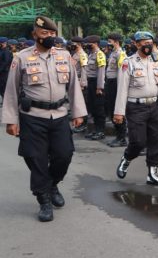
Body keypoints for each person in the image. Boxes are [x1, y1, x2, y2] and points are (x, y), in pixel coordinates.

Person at [2, 16, 87, 222]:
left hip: (59, 115)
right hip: (32, 117)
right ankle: (44, 200)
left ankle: (51, 184)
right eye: (44, 33)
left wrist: (78, 112)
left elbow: (74, 85)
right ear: (35, 35)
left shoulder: (64, 56)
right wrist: (11, 120)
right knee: (36, 159)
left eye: (52, 33)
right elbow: (12, 90)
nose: (49, 37)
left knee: (64, 155)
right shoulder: (20, 58)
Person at [114, 31, 158, 187]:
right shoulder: (128, 62)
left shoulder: (155, 61)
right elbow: (122, 89)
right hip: (136, 107)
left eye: (150, 43)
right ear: (137, 44)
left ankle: (153, 173)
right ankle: (126, 159)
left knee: (156, 139)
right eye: (144, 43)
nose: (148, 45)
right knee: (138, 142)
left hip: (155, 105)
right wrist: (119, 112)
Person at [105, 33, 128, 147]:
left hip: (116, 84)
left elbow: (121, 72)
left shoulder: (121, 54)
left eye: (110, 41)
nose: (108, 44)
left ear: (116, 42)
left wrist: (120, 88)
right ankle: (118, 136)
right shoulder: (113, 53)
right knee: (111, 108)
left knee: (117, 109)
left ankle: (122, 137)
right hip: (110, 83)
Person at [83, 35, 107, 140]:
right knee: (92, 107)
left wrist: (99, 87)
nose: (88, 45)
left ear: (96, 43)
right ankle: (95, 130)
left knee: (99, 108)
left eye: (89, 43)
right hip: (90, 83)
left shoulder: (100, 55)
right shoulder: (91, 54)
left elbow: (101, 72)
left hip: (97, 83)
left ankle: (100, 131)